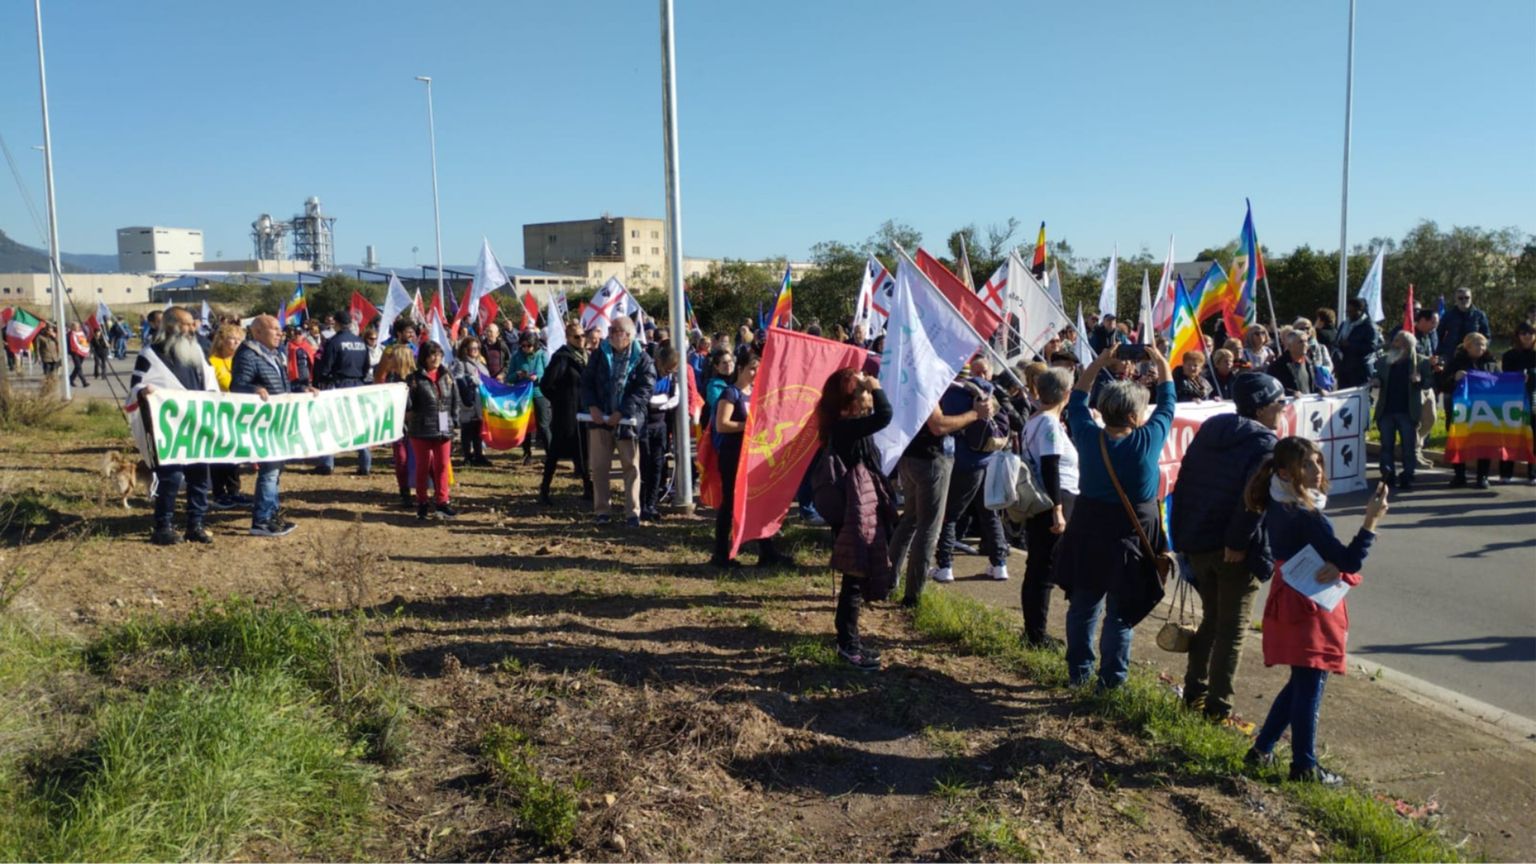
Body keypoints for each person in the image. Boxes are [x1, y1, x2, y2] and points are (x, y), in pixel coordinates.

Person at [1245, 437, 1390, 785]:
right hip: (1309, 604)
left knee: (1300, 681)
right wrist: (1371, 521)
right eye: (1307, 464)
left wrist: (1335, 563)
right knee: (1311, 682)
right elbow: (1350, 559)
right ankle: (1304, 767)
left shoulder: (1277, 499)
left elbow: (1332, 559)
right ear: (1285, 472)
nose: (1317, 470)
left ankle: (1261, 750)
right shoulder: (1307, 515)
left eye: (1317, 462)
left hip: (1289, 594)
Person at [1053, 343, 1175, 690]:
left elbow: (1077, 399)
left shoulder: (1087, 435)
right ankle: (1111, 682)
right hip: (1132, 537)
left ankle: (1078, 674)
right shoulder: (1148, 439)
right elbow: (1168, 401)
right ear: (1136, 416)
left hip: (1088, 530)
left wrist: (1101, 361)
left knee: (1083, 606)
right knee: (1120, 614)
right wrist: (1160, 361)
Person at [1172, 373, 1283, 721]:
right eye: (1279, 403)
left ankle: (1194, 694)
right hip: (1235, 550)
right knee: (1231, 631)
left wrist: (1182, 539)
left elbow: (1184, 483)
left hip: (1199, 543)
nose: (1283, 409)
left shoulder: (1210, 430)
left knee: (1212, 621)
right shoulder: (1265, 444)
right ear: (1261, 408)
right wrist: (1236, 543)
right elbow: (1254, 499)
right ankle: (1217, 710)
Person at [888, 375, 995, 608]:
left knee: (909, 521)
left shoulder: (906, 377)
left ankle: (887, 583)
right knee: (928, 527)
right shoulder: (926, 380)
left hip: (910, 456)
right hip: (930, 459)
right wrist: (975, 414)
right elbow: (938, 425)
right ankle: (912, 596)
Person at [818, 368, 895, 669]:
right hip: (855, 509)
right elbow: (885, 415)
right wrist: (875, 385)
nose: (868, 394)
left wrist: (866, 387)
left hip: (857, 506)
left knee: (856, 576)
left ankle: (849, 640)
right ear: (848, 401)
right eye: (861, 390)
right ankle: (848, 646)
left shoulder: (846, 425)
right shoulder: (845, 427)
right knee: (854, 576)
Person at [130, 308, 217, 546]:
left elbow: (210, 383)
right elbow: (136, 386)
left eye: (192, 324)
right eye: (186, 324)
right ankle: (163, 526)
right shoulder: (150, 354)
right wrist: (144, 392)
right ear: (170, 325)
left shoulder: (198, 352)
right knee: (171, 477)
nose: (192, 329)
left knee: (199, 477)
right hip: (169, 428)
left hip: (197, 424)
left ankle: (195, 524)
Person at [932, 359, 1013, 584]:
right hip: (987, 459)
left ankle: (945, 566)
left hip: (963, 462)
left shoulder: (950, 394)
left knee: (950, 515)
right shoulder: (988, 390)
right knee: (989, 513)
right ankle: (999, 564)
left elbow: (943, 425)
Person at [709, 351, 791, 567]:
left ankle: (767, 551)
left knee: (757, 501)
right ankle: (720, 553)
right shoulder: (730, 393)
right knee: (730, 503)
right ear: (741, 369)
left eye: (758, 369)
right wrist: (749, 426)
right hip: (732, 456)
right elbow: (721, 425)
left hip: (753, 457)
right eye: (752, 369)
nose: (756, 373)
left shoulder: (755, 393)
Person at [1018, 367, 1078, 648]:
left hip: (1047, 498)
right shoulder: (1049, 424)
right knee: (1043, 570)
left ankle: (1034, 631)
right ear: (1066, 394)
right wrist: (1057, 509)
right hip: (1054, 499)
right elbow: (1050, 466)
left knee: (1039, 567)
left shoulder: (1035, 420)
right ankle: (1036, 636)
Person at [230, 314, 303, 537]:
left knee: (275, 472)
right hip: (264, 424)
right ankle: (261, 521)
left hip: (279, 421)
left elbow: (283, 387)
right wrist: (254, 390)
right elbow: (237, 386)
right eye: (274, 329)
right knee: (269, 472)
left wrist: (302, 390)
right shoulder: (248, 355)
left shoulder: (275, 355)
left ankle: (272, 515)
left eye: (280, 329)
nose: (280, 333)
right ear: (258, 332)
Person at [580, 316, 656, 527]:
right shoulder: (599, 355)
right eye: (610, 330)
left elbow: (645, 389)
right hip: (599, 419)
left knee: (631, 468)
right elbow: (586, 382)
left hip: (627, 423)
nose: (611, 334)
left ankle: (632, 513)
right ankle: (602, 511)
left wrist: (622, 412)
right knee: (599, 467)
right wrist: (592, 406)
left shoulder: (643, 359)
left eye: (616, 331)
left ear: (628, 335)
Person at [314, 315, 375, 476]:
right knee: (359, 424)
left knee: (330, 423)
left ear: (337, 324)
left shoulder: (333, 342)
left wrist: (321, 381)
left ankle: (327, 464)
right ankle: (365, 464)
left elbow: (326, 367)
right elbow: (367, 366)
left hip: (338, 385)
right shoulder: (360, 342)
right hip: (358, 385)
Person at [1373, 331, 1433, 491]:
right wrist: (1376, 381)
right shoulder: (1384, 361)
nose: (1394, 344)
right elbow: (1377, 376)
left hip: (1407, 411)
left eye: (1398, 341)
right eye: (1394, 341)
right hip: (1386, 410)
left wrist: (1420, 381)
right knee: (1386, 446)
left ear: (1407, 345)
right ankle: (1388, 475)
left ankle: (1408, 475)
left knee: (1408, 447)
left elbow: (1429, 382)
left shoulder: (1421, 362)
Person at [405, 341, 458, 521]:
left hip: (443, 423)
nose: (436, 358)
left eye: (439, 354)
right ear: (425, 357)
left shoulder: (447, 376)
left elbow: (454, 399)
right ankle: (422, 503)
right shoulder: (414, 379)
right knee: (423, 466)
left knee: (442, 465)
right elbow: (408, 405)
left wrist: (454, 420)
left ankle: (442, 502)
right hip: (421, 427)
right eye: (432, 355)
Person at [540, 323, 593, 504]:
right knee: (555, 452)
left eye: (583, 335)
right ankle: (544, 490)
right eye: (577, 336)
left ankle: (588, 488)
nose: (581, 339)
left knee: (583, 451)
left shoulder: (586, 357)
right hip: (566, 413)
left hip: (583, 411)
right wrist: (560, 400)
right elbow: (546, 384)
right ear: (568, 338)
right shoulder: (561, 357)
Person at [1443, 333, 1499, 488]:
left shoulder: (1491, 363)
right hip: (1462, 409)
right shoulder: (1456, 362)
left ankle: (1482, 476)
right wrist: (1454, 378)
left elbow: (1501, 383)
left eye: (1483, 344)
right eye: (1477, 344)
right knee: (1459, 440)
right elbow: (1443, 384)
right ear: (1467, 346)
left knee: (1484, 441)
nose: (1481, 348)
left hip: (1484, 410)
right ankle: (1459, 475)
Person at [207, 323, 251, 510]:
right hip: (218, 413)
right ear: (221, 341)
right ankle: (219, 493)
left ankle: (234, 491)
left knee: (234, 454)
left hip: (237, 414)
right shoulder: (212, 362)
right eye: (232, 339)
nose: (236, 342)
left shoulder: (241, 361)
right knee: (219, 455)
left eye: (240, 339)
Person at [639, 345, 681, 521]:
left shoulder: (672, 379)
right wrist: (663, 400)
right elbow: (647, 399)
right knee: (644, 466)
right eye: (666, 368)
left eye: (672, 369)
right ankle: (641, 504)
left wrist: (664, 402)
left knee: (658, 465)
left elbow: (675, 398)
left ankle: (652, 503)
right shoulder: (648, 374)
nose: (668, 372)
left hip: (661, 426)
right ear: (658, 362)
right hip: (644, 426)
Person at [375, 344, 418, 507]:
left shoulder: (416, 378)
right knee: (401, 458)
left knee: (418, 459)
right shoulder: (390, 378)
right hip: (397, 424)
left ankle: (421, 490)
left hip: (415, 424)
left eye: (393, 357)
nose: (390, 360)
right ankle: (404, 491)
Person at [1499, 323, 1536, 484]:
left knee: (1533, 437)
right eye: (1523, 333)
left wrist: (1532, 374)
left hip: (1533, 400)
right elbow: (1506, 376)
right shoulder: (1509, 355)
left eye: (1531, 333)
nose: (1527, 336)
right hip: (1513, 402)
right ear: (1517, 336)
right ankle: (1506, 473)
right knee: (1510, 437)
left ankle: (1533, 473)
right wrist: (1519, 376)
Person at [508, 330, 550, 466]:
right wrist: (517, 375)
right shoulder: (516, 357)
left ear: (535, 344)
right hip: (522, 395)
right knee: (524, 426)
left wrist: (537, 377)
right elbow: (509, 377)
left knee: (543, 425)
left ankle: (550, 455)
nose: (526, 348)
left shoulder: (542, 355)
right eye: (523, 345)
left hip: (539, 394)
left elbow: (549, 374)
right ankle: (527, 454)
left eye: (529, 345)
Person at [454, 336, 492, 468]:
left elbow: (487, 379)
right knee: (467, 430)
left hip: (480, 401)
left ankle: (479, 455)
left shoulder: (481, 363)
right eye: (472, 348)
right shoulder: (461, 363)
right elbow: (457, 379)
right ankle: (467, 456)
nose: (475, 350)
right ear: (466, 349)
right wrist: (470, 379)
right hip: (468, 401)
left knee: (478, 429)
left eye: (477, 348)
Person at [1435, 288, 1491, 364]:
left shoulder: (1479, 315)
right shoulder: (1448, 315)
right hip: (1451, 355)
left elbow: (1486, 336)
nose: (1464, 300)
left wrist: (1481, 349)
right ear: (1456, 299)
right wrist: (1440, 352)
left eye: (1467, 297)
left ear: (1471, 298)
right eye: (1460, 298)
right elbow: (1438, 335)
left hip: (1473, 355)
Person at [1335, 299, 1380, 388]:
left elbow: (1372, 347)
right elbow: (1336, 341)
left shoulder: (1369, 326)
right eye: (1347, 311)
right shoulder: (1344, 324)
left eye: (1352, 311)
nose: (1349, 314)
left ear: (1360, 311)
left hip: (1360, 371)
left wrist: (1350, 345)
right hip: (1344, 369)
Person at [1267, 330, 1319, 396]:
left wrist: (1319, 391)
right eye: (1300, 342)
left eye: (1306, 341)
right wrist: (1292, 393)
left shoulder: (1309, 363)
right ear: (1290, 346)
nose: (1305, 344)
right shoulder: (1277, 366)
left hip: (1307, 401)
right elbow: (1274, 388)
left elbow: (1311, 386)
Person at [67, 321, 90, 387]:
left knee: (77, 368)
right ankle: (84, 382)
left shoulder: (81, 333)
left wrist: (85, 349)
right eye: (75, 326)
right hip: (74, 352)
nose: (77, 328)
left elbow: (83, 341)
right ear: (72, 327)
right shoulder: (69, 334)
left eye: (78, 326)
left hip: (82, 352)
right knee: (78, 367)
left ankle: (70, 379)